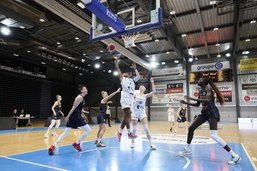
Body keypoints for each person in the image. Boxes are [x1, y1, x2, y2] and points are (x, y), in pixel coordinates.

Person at [179, 77, 241, 165]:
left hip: (212, 112)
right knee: (191, 128)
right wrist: (186, 103)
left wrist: (191, 98)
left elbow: (207, 100)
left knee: (214, 135)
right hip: (204, 113)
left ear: (205, 82)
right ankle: (187, 149)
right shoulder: (200, 91)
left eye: (201, 79)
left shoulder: (209, 90)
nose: (199, 80)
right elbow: (197, 104)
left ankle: (235, 155)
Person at [48, 85, 92, 155]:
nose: (87, 89)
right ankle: (77, 143)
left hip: (75, 116)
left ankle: (53, 146)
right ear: (81, 90)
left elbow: (79, 109)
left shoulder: (82, 98)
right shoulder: (79, 97)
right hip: (75, 117)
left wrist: (83, 115)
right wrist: (67, 116)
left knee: (66, 133)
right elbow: (73, 107)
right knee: (88, 130)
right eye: (85, 89)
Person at [114, 57, 140, 142]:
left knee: (127, 116)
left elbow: (139, 76)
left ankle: (119, 133)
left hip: (131, 99)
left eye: (127, 73)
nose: (125, 74)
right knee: (128, 115)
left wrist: (135, 69)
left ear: (129, 75)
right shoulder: (122, 79)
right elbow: (118, 70)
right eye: (124, 73)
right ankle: (129, 133)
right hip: (125, 97)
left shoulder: (132, 80)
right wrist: (116, 63)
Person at [130, 78, 156, 150]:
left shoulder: (145, 96)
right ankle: (132, 142)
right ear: (139, 89)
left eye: (143, 86)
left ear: (144, 89)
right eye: (140, 86)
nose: (141, 86)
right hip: (135, 112)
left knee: (146, 129)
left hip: (142, 113)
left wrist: (152, 82)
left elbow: (154, 91)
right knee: (134, 129)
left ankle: (151, 144)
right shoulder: (135, 95)